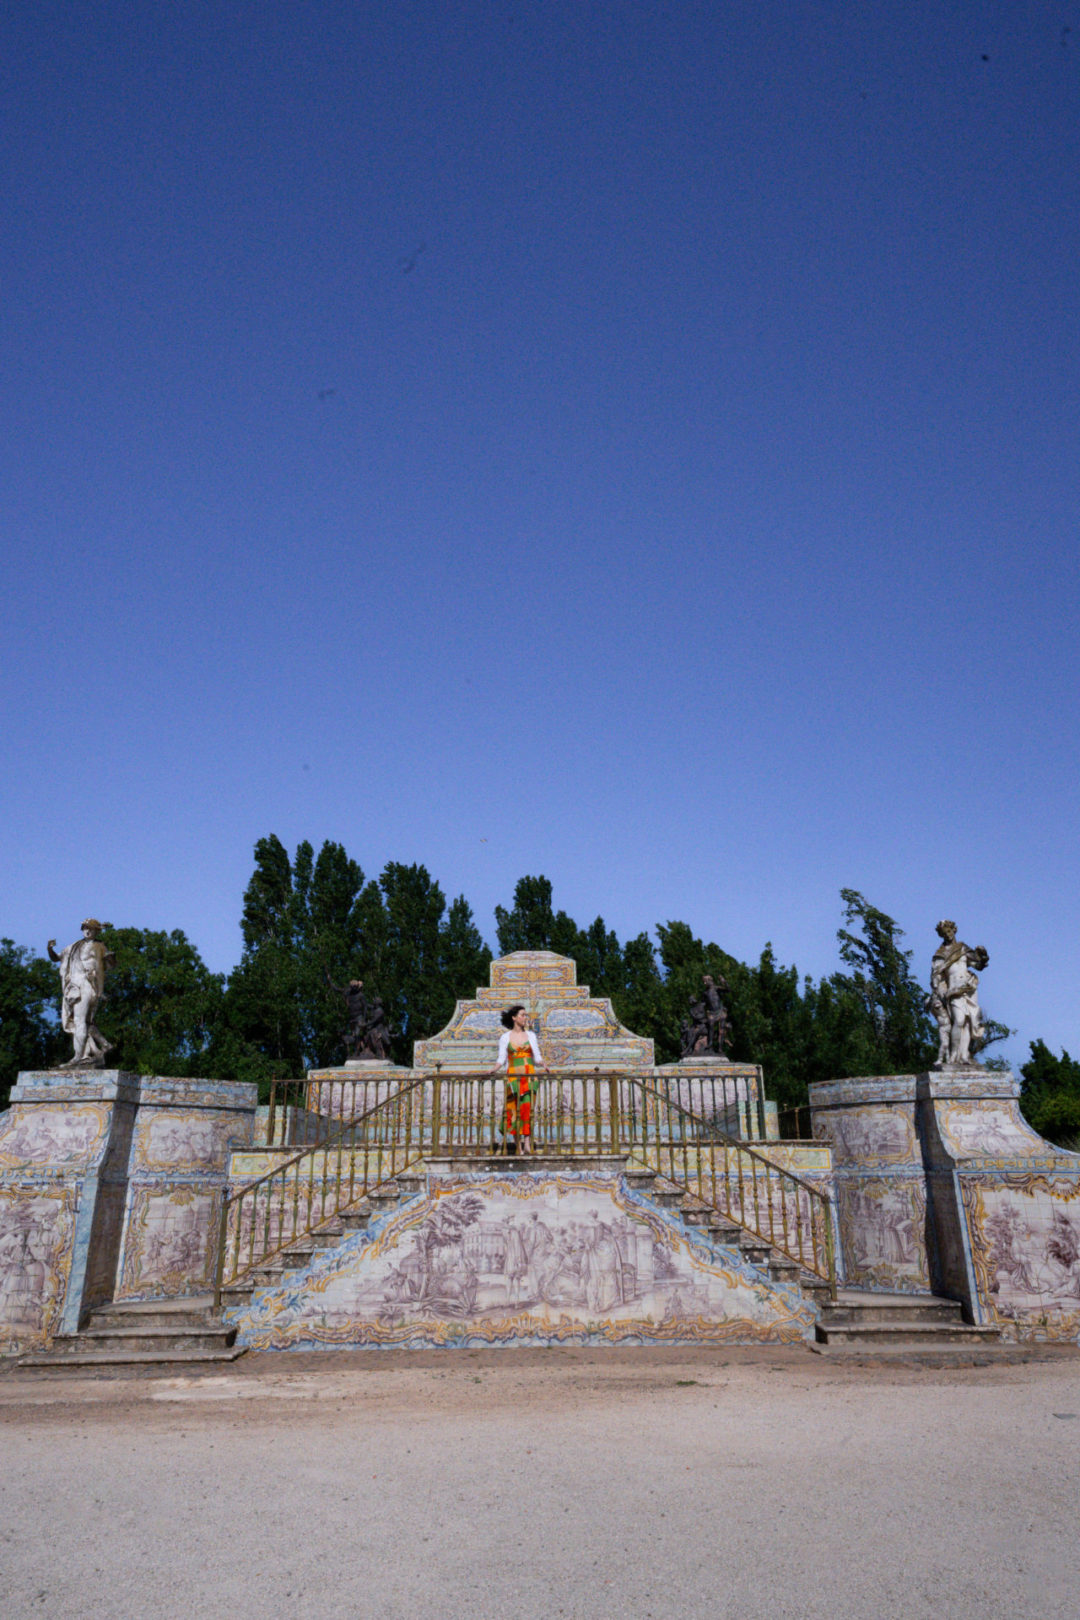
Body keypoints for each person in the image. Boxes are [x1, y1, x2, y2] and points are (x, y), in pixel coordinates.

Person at [47, 919, 115, 1067]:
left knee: (79, 1022)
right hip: (74, 987)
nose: (87, 931)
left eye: (91, 928)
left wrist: (100, 990)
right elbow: (56, 958)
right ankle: (104, 1045)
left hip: (85, 986)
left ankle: (78, 1057)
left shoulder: (98, 946)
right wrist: (49, 948)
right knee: (86, 1022)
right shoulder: (74, 946)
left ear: (97, 931)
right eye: (85, 928)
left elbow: (101, 969)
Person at [490, 1004, 548, 1155]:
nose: (525, 1018)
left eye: (525, 1015)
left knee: (526, 1109)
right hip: (513, 1077)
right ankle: (518, 1145)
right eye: (522, 1015)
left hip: (528, 1076)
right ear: (514, 1018)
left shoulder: (531, 1036)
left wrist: (543, 1064)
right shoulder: (505, 1037)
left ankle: (527, 1144)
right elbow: (502, 1058)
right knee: (513, 1109)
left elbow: (536, 1057)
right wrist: (493, 1069)